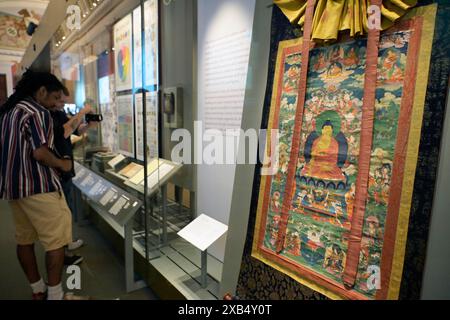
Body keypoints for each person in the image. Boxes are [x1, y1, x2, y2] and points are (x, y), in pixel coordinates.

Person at [0, 70, 74, 300]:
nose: (54, 104)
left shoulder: (8, 112)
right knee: (56, 241)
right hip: (39, 187)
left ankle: (38, 290)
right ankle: (55, 294)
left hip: (14, 189)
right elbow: (40, 153)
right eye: (54, 98)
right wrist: (62, 164)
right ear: (42, 92)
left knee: (24, 239)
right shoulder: (37, 112)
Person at [51, 89, 96, 265]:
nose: (62, 104)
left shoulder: (60, 113)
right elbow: (63, 132)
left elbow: (76, 130)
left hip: (66, 171)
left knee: (67, 209)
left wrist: (90, 124)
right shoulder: (48, 115)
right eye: (60, 100)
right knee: (61, 213)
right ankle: (63, 253)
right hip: (58, 172)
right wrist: (83, 112)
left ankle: (67, 242)